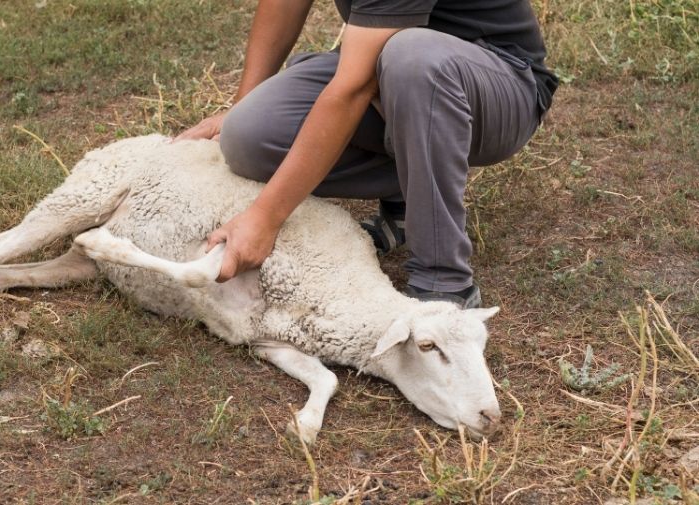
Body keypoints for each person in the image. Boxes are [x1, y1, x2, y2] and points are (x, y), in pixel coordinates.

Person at [175, 0, 558, 308]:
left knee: (412, 56)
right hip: (391, 70)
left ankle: (443, 284)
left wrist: (264, 217)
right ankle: (410, 196)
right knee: (250, 133)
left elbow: (353, 89)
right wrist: (240, 105)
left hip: (500, 82)